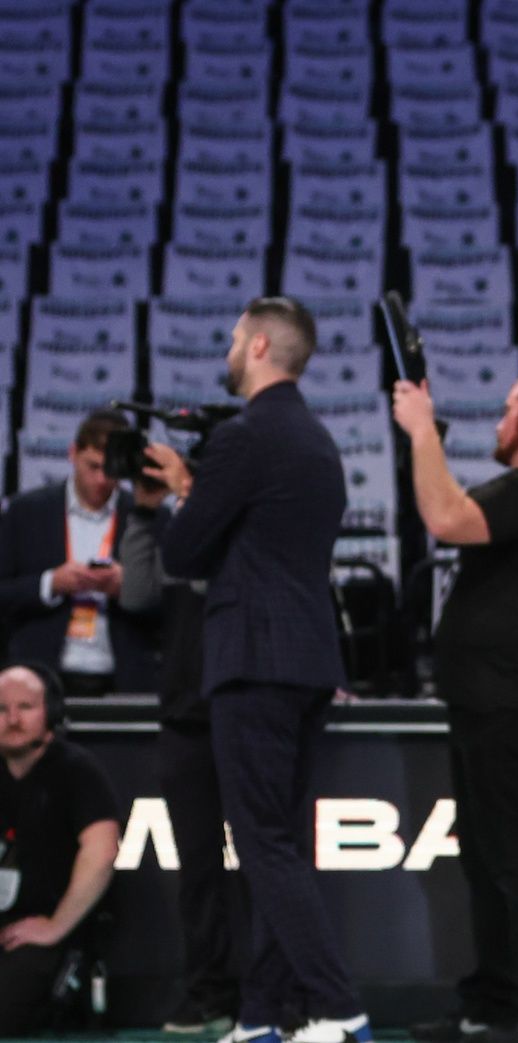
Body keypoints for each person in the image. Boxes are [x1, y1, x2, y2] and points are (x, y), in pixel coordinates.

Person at [148, 297, 372, 1043]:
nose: (230, 346)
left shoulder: (244, 437)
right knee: (281, 840)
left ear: (262, 344)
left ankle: (341, 1009)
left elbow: (182, 554)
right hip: (307, 660)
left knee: (266, 843)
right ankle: (260, 1018)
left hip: (252, 661)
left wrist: (182, 487)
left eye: (238, 336)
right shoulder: (317, 439)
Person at [392, 372, 518, 1043]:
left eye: (507, 408)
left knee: (509, 853)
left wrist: (422, 429)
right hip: (485, 697)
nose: (500, 421)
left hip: (512, 700)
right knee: (485, 852)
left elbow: (445, 517)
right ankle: (497, 999)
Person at [119, 476, 241, 1035]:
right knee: (198, 870)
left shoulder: (246, 529)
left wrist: (194, 506)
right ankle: (208, 991)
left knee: (267, 861)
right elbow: (138, 594)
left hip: (245, 712)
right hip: (185, 717)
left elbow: (216, 583)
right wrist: (145, 515)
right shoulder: (172, 535)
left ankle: (270, 988)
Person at [0, 409, 162, 696]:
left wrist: (130, 586)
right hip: (42, 676)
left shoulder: (149, 517)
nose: (101, 480)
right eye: (93, 466)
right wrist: (51, 583)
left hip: (126, 677)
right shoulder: (26, 512)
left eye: (111, 470)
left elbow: (174, 606)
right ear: (73, 453)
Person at [0, 663, 120, 1036]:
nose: (12, 719)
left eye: (26, 706)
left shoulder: (76, 770)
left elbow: (102, 851)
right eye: (1, 709)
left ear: (51, 712)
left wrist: (56, 926)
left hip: (45, 933)